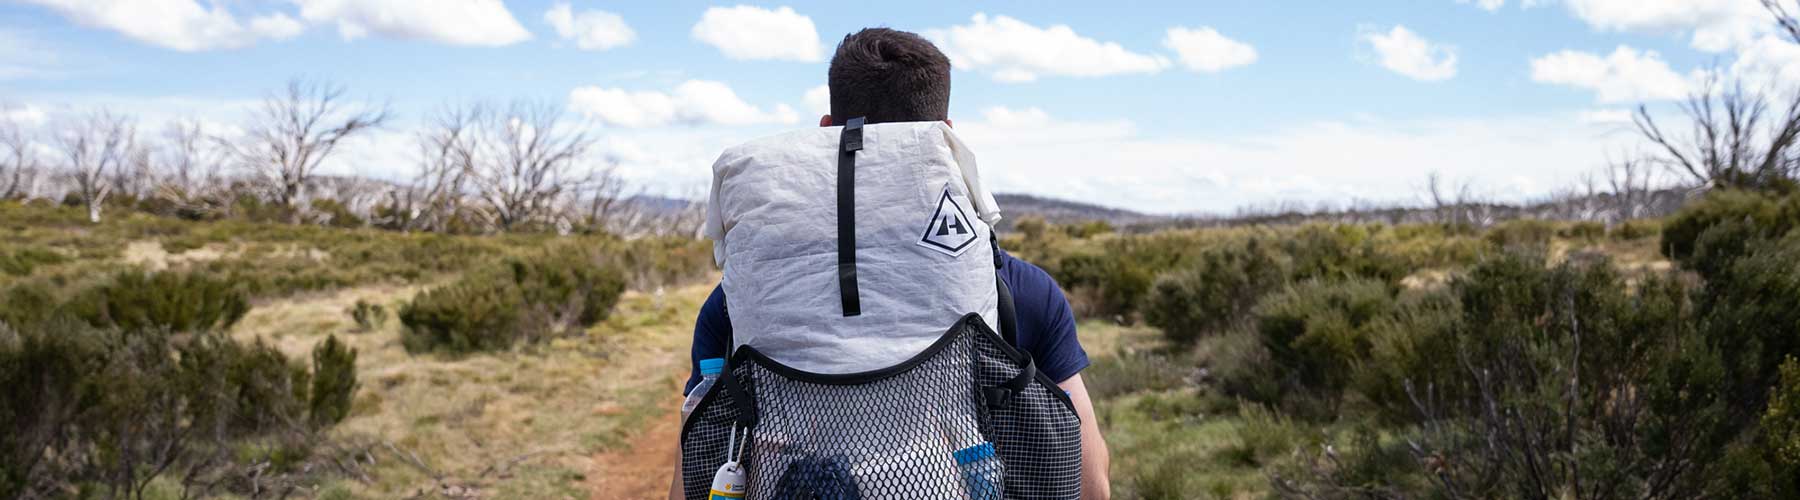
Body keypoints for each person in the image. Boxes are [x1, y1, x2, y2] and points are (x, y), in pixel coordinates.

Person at [671, 27, 1111, 499]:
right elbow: (1091, 485)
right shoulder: (1020, 291)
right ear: (946, 135)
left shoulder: (740, 298)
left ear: (827, 135)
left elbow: (690, 478)